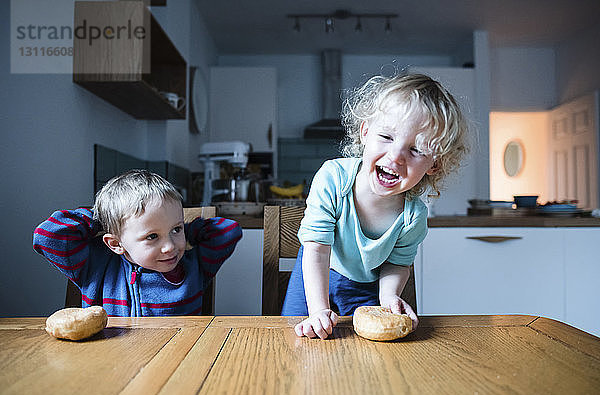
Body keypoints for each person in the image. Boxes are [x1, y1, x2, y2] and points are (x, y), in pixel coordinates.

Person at [282, 73, 469, 339]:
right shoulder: (333, 179)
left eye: (416, 150)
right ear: (366, 131)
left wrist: (389, 295)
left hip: (365, 287)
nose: (396, 156)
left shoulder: (413, 217)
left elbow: (397, 264)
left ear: (434, 165)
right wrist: (318, 310)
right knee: (298, 341)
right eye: (386, 136)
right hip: (313, 275)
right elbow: (316, 250)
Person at [33, 169, 242, 316]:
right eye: (152, 236)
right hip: (112, 363)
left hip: (179, 361)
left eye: (175, 229)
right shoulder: (95, 267)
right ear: (115, 244)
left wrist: (187, 231)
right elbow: (47, 235)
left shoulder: (193, 266)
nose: (170, 246)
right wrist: (101, 219)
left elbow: (229, 231)